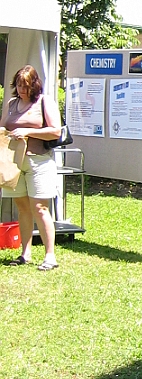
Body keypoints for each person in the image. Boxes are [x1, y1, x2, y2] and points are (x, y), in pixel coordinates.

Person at [0, 65, 62, 270]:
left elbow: (55, 131)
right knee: (22, 207)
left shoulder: (44, 102)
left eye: (26, 86)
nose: (22, 90)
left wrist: (27, 132)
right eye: (19, 85)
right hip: (14, 162)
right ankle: (25, 253)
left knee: (40, 207)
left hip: (39, 161)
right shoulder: (11, 104)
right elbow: (3, 127)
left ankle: (50, 256)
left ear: (35, 85)